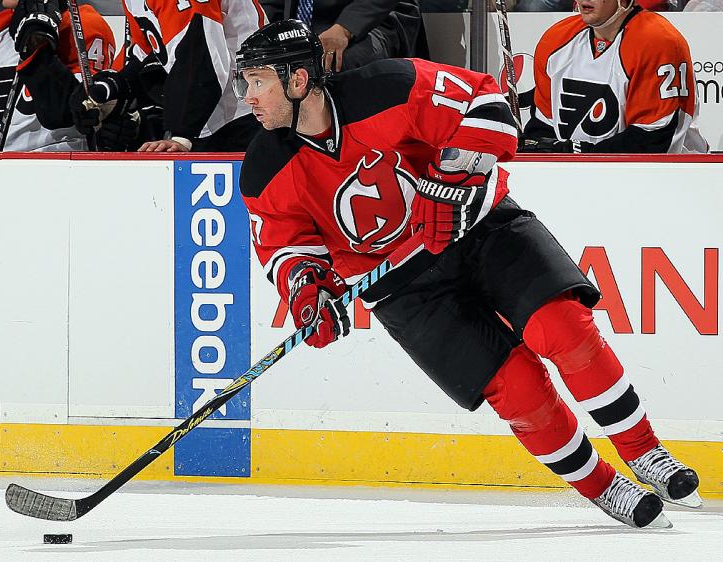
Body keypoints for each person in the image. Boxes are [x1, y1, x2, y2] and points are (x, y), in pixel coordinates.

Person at [235, 19, 701, 529]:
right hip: (404, 289)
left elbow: (490, 108)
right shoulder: (264, 165)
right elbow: (285, 245)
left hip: (478, 229)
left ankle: (644, 452)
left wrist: (451, 182)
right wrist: (308, 292)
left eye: (258, 81)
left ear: (299, 80)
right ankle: (604, 486)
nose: (249, 97)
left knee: (562, 326)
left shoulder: (388, 86)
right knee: (517, 388)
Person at [69, 0, 266, 153]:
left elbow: (201, 54)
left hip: (248, 118)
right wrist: (114, 88)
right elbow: (153, 56)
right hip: (218, 121)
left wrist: (181, 136)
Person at [520, 0, 707, 153]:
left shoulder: (658, 41)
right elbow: (543, 124)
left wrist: (579, 155)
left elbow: (652, 138)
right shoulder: (555, 40)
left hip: (671, 177)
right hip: (580, 173)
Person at [0, 0, 115, 151]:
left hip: (66, 164)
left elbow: (63, 114)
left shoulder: (83, 23)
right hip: (1, 168)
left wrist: (36, 42)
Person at [260, 0, 425, 72]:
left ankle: (349, 137)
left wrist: (345, 28)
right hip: (311, 22)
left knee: (335, 61)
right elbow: (272, 5)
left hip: (375, 17)